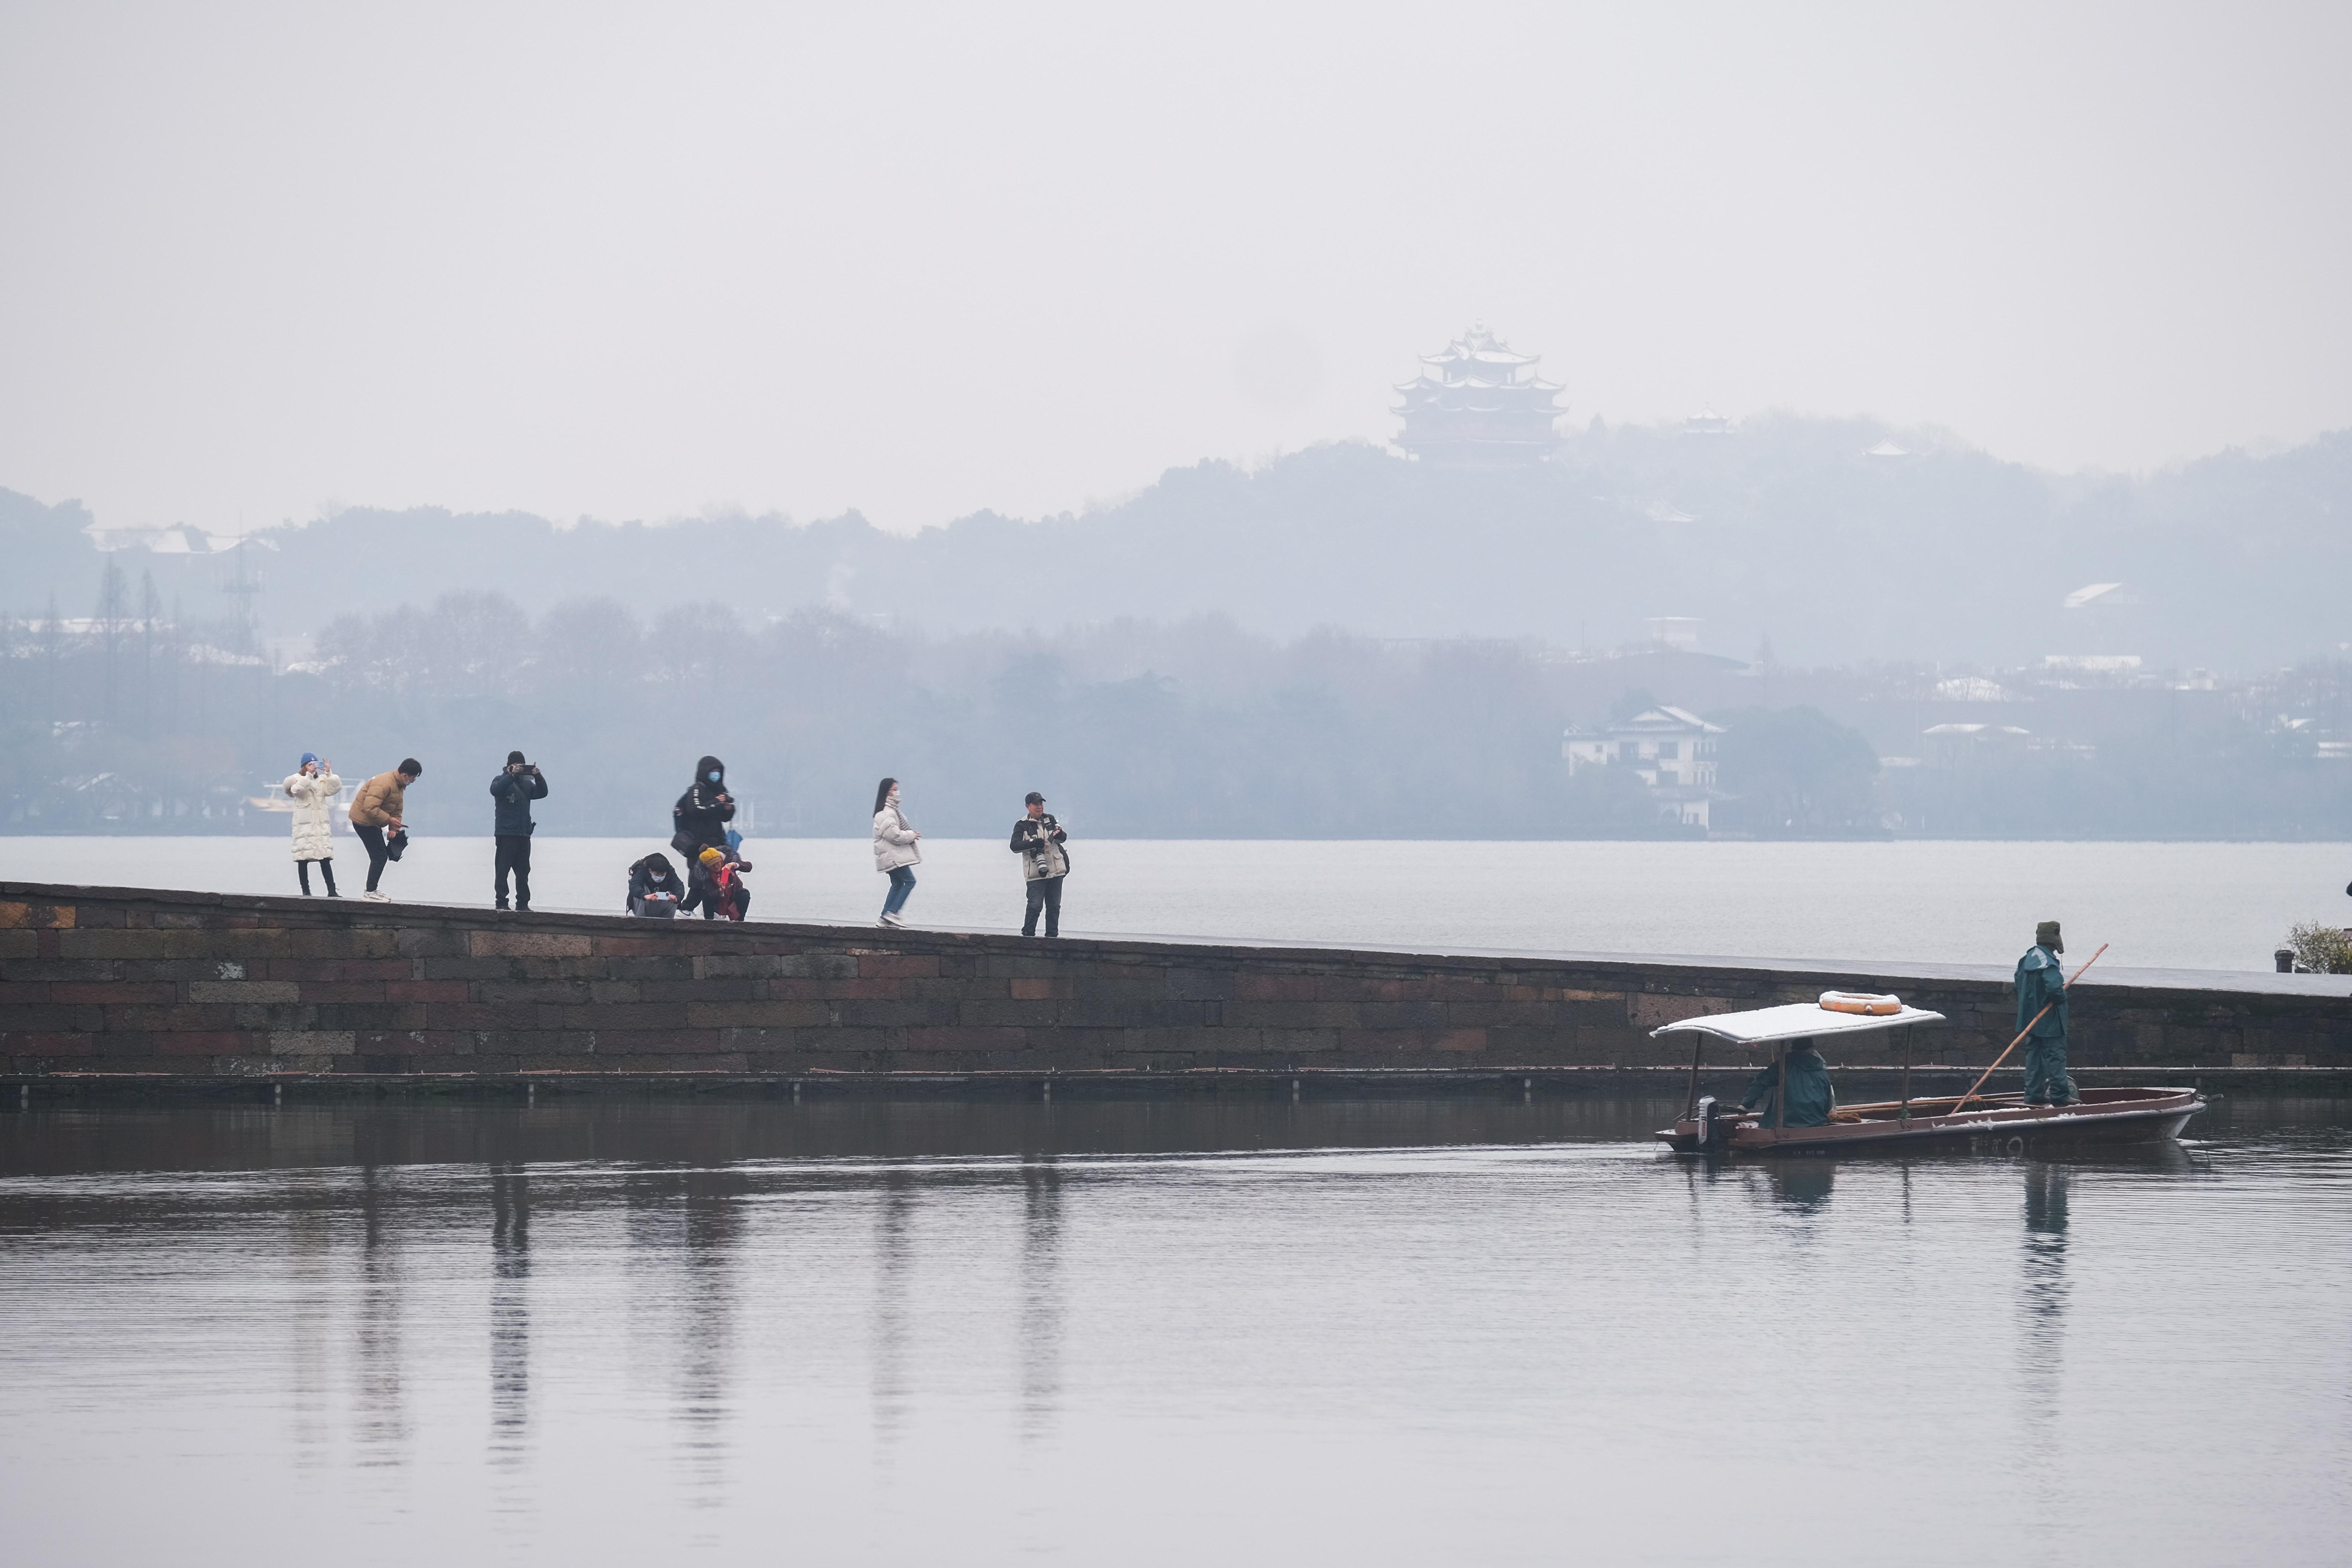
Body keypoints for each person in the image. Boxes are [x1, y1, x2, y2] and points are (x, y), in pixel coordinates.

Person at [2015, 920, 2080, 1106]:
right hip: (2051, 1020)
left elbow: (2017, 983)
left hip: (2030, 1019)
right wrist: (2062, 997)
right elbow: (2054, 988)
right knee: (2055, 1056)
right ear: (2054, 941)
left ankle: (2033, 1095)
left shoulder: (2027, 958)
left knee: (2034, 1056)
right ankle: (2061, 1095)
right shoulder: (2049, 962)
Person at [348, 758, 421, 902]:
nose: (413, 781)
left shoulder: (400, 785)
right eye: (414, 778)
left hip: (374, 822)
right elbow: (370, 808)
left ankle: (372, 890)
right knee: (380, 856)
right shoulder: (385, 783)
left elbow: (397, 809)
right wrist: (389, 821)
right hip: (363, 821)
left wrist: (394, 828)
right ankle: (370, 892)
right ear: (406, 775)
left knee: (381, 856)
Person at [674, 756, 737, 917]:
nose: (715, 775)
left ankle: (713, 910)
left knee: (717, 877)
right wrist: (717, 802)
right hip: (698, 843)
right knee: (699, 878)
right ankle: (686, 909)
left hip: (717, 841)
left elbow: (724, 817)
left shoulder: (720, 790)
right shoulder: (698, 789)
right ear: (704, 773)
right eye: (712, 772)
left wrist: (728, 809)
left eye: (718, 772)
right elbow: (696, 809)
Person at [488, 750, 548, 912]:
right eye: (517, 766)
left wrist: (538, 777)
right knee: (503, 870)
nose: (519, 769)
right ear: (510, 766)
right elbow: (495, 790)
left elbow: (543, 793)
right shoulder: (501, 780)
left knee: (523, 872)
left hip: (524, 834)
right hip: (506, 834)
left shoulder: (527, 784)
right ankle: (501, 902)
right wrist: (511, 776)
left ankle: (523, 904)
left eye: (522, 766)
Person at [1010, 790, 1069, 937]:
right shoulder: (1022, 825)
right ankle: (1028, 935)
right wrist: (1034, 843)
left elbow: (1063, 839)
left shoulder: (1050, 819)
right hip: (1036, 872)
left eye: (1041, 803)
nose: (1040, 807)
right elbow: (1014, 846)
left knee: (1054, 907)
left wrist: (1060, 834)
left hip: (1056, 870)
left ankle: (1052, 936)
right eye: (1036, 804)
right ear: (1028, 806)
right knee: (1035, 906)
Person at [282, 752, 341, 897]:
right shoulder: (296, 780)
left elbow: (335, 788)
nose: (313, 767)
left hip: (320, 825)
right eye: (310, 764)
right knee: (303, 859)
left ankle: (332, 891)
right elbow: (297, 791)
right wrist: (308, 776)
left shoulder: (321, 781)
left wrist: (328, 773)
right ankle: (306, 891)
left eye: (315, 765)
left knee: (325, 858)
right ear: (304, 766)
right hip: (304, 825)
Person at [1741, 1038, 1835, 1127]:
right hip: (1818, 1123)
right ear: (1812, 1049)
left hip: (1785, 1123)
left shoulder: (1782, 1066)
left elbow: (1759, 1084)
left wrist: (1746, 1106)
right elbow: (1828, 1104)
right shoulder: (1822, 1071)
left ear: (1792, 1049)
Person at [872, 777, 921, 928]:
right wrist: (911, 835)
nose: (898, 793)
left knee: (898, 883)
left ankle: (884, 918)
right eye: (895, 790)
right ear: (887, 793)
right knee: (910, 881)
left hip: (890, 856)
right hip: (894, 856)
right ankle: (893, 913)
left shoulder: (888, 811)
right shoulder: (888, 813)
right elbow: (894, 835)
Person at [695, 845, 752, 922]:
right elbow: (711, 894)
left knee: (745, 895)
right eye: (712, 865)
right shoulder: (707, 875)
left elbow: (749, 867)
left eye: (717, 863)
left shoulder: (728, 863)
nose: (716, 866)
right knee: (705, 894)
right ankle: (709, 921)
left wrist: (734, 865)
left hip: (734, 893)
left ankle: (739, 922)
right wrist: (721, 890)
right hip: (717, 899)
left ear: (721, 859)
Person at [626, 852, 685, 917]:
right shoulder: (642, 870)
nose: (660, 877)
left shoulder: (670, 871)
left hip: (662, 905)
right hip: (645, 904)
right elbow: (634, 886)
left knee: (674, 895)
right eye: (657, 874)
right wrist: (645, 896)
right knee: (639, 892)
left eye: (662, 875)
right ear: (650, 871)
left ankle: (668, 922)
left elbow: (678, 885)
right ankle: (640, 919)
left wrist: (677, 898)